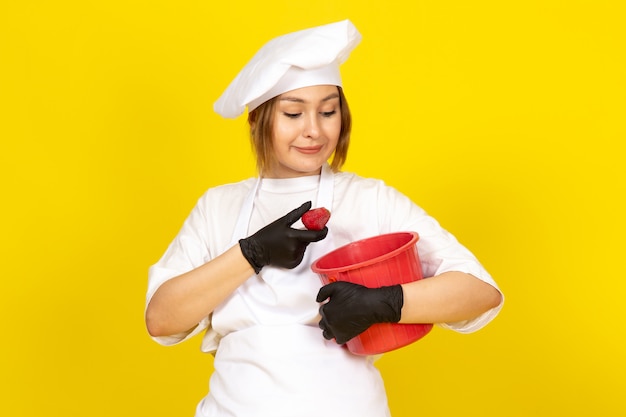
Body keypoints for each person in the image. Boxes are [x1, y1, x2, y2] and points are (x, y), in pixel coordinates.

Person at [145, 19, 504, 417]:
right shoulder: (218, 207)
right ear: (258, 120)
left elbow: (480, 293)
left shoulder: (369, 200)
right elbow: (162, 319)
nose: (313, 131)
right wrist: (252, 253)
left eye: (328, 112)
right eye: (293, 114)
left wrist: (386, 303)